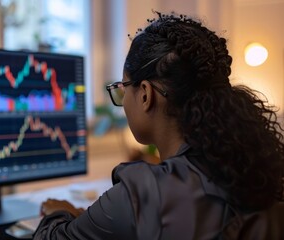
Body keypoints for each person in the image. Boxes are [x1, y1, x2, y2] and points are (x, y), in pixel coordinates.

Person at [33, 11, 284, 239]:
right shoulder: (253, 168)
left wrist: (59, 213)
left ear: (145, 94)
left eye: (122, 87)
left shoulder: (142, 194)